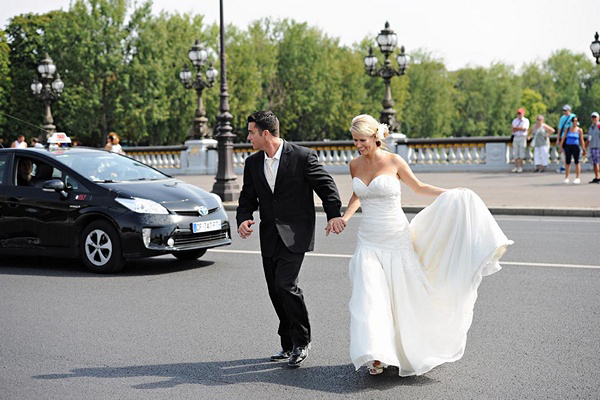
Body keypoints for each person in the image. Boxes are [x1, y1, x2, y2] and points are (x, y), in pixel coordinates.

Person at [338, 114, 512, 376]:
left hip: (395, 236)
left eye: (361, 140)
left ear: (375, 137)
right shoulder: (354, 164)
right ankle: (377, 354)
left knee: (402, 294)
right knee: (370, 295)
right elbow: (356, 195)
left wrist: (452, 193)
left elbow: (418, 188)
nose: (358, 145)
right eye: (354, 141)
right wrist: (344, 218)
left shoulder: (394, 161)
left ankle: (406, 347)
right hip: (368, 238)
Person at [236, 110, 346, 368]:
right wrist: (243, 218)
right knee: (275, 290)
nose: (247, 137)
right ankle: (287, 344)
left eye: (251, 132)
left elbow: (326, 186)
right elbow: (247, 197)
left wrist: (333, 215)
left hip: (296, 232)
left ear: (265, 133)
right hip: (269, 235)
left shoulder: (302, 156)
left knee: (286, 285)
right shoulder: (252, 163)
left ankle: (302, 341)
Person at [558, 116, 586, 184]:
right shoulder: (568, 129)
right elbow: (563, 138)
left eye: (576, 121)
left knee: (577, 162)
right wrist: (561, 147)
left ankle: (577, 177)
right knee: (567, 162)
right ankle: (566, 177)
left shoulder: (579, 130)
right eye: (573, 121)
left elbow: (581, 140)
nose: (575, 122)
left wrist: (584, 149)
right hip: (568, 146)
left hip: (575, 146)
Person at [557, 105, 576, 173]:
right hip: (563, 137)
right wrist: (558, 138)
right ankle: (565, 166)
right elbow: (560, 128)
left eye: (566, 110)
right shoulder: (562, 118)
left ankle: (566, 166)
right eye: (564, 111)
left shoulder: (573, 116)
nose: (564, 112)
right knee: (564, 152)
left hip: (571, 136)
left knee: (571, 152)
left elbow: (576, 126)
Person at [511, 108, 529, 173]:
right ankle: (515, 166)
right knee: (515, 152)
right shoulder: (515, 120)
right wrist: (519, 128)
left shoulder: (526, 120)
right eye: (518, 113)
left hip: (522, 137)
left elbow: (524, 129)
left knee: (521, 151)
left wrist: (517, 128)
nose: (519, 115)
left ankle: (520, 166)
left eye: (520, 113)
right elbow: (513, 129)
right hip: (516, 137)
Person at [587, 112, 600, 184]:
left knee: (598, 163)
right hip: (593, 147)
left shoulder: (599, 126)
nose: (594, 119)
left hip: (598, 147)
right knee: (594, 163)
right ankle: (596, 177)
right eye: (593, 117)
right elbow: (589, 139)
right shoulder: (591, 127)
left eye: (595, 117)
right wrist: (584, 148)